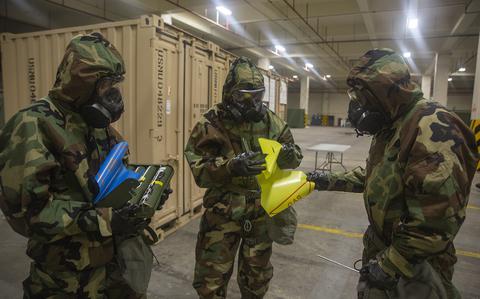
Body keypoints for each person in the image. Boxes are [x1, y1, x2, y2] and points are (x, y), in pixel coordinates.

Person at [307, 49, 479, 299]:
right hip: (385, 255)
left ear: (387, 91)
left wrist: (392, 264)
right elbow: (378, 176)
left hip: (414, 269)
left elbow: (437, 221)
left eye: (362, 96)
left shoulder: (431, 125)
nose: (358, 105)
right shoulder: (393, 125)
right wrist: (327, 179)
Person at [0, 33, 150, 298]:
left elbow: (116, 180)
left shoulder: (99, 128)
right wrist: (105, 220)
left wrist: (143, 196)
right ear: (81, 83)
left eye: (116, 84)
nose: (114, 94)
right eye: (106, 85)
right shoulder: (33, 125)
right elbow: (27, 214)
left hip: (115, 272)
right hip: (66, 280)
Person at [184, 57, 303, 299]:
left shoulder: (270, 121)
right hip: (223, 211)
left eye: (257, 96)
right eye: (243, 97)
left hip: (260, 212)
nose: (251, 104)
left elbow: (294, 155)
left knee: (256, 276)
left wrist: (287, 157)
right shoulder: (212, 122)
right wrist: (230, 167)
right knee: (212, 277)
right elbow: (199, 168)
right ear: (229, 94)